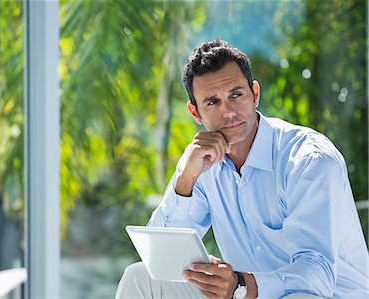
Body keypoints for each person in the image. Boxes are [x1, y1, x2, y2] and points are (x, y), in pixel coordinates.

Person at [115, 39, 369, 299]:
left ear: (255, 94)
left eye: (236, 95)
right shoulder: (201, 160)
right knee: (140, 278)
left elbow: (317, 276)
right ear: (195, 112)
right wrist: (186, 179)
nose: (229, 113)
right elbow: (161, 258)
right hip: (244, 293)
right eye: (212, 102)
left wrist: (239, 284)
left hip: (321, 296)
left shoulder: (308, 161)